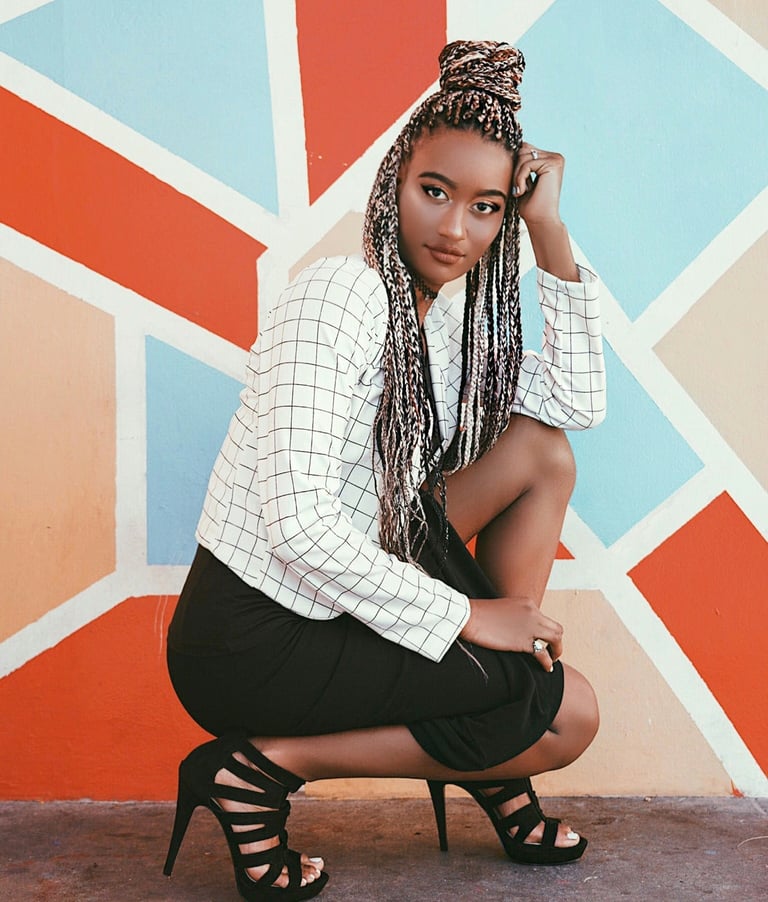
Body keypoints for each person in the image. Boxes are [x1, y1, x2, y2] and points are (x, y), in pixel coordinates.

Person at [163, 39, 606, 901]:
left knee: (542, 451)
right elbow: (297, 525)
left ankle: (490, 724)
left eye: (485, 207)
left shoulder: (454, 321)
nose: (454, 229)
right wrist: (467, 617)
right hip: (253, 632)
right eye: (434, 192)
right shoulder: (339, 295)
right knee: (564, 710)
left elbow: (575, 403)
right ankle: (261, 769)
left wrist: (550, 231)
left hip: (346, 586)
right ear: (393, 182)